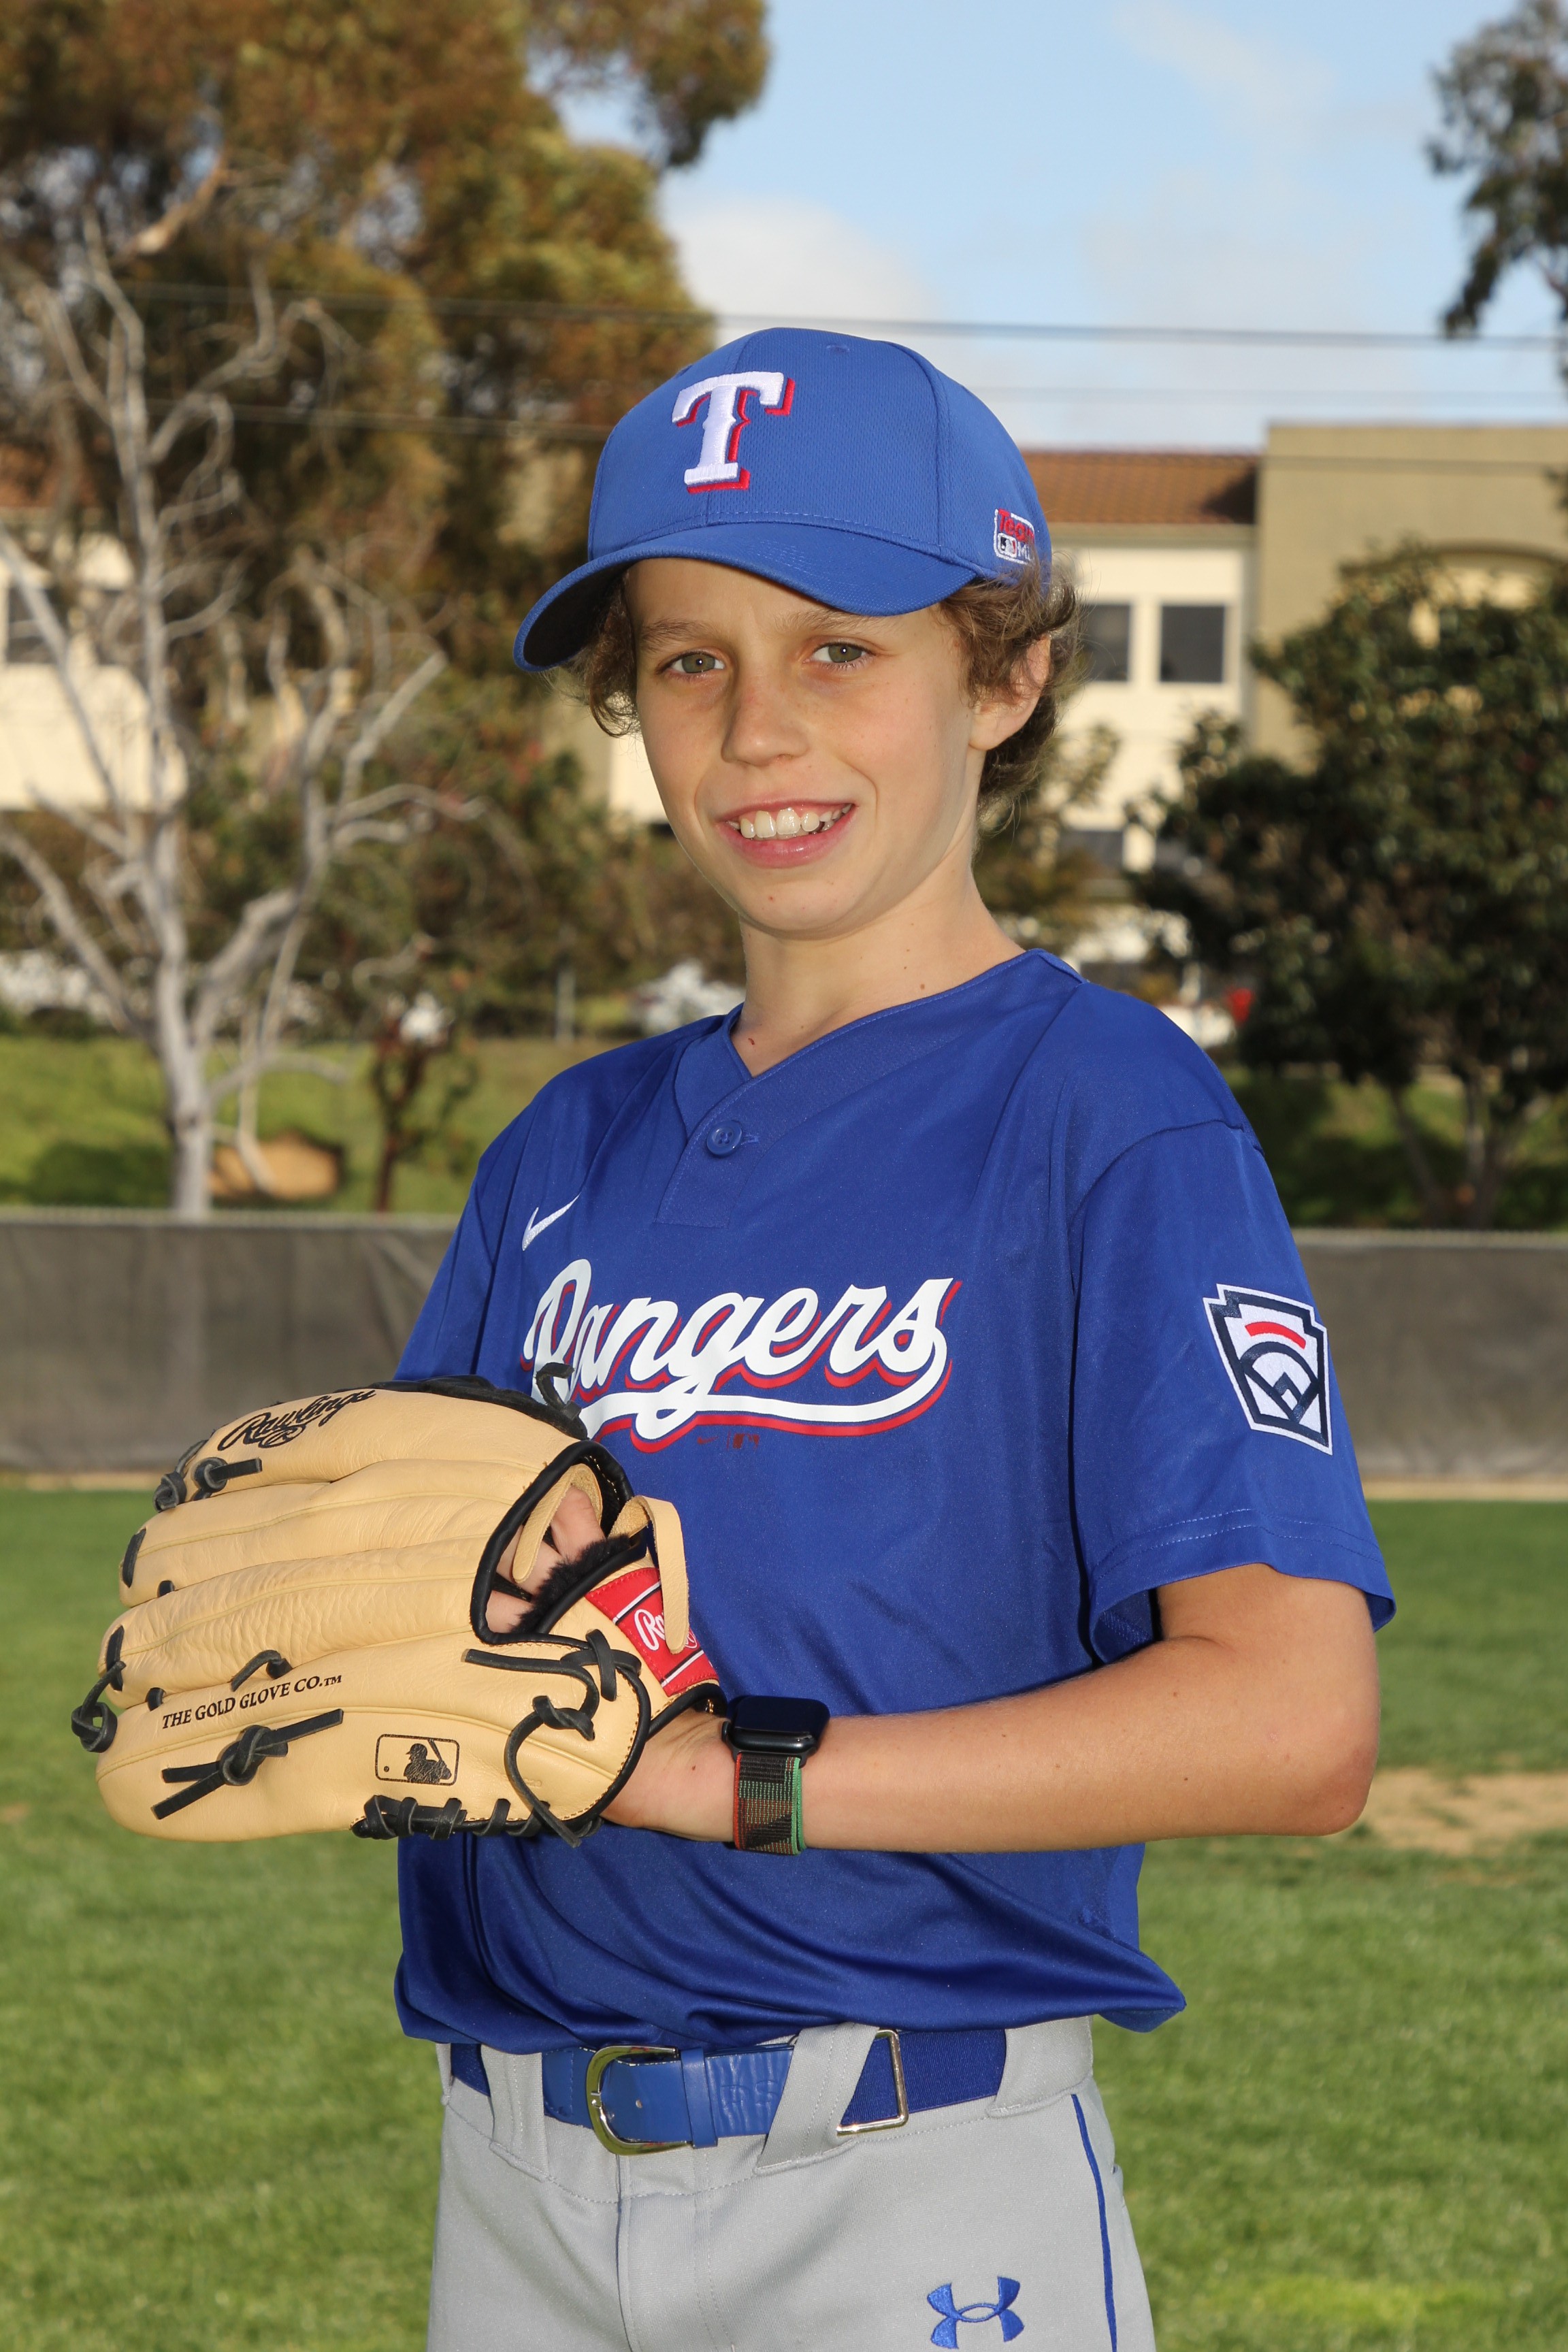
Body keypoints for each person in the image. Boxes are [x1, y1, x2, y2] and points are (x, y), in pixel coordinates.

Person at [395, 329, 1391, 2352]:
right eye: (691, 659)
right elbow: (433, 1612)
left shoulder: (1107, 1112)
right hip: (514, 2182)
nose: (759, 728)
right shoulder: (565, 1147)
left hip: (908, 2175)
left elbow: (1295, 1723)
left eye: (840, 647)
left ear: (1003, 678)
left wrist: (734, 1784)